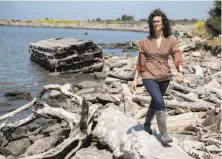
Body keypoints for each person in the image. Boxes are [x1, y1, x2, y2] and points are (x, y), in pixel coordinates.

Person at [131, 9, 184, 144]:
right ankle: (164, 135)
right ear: (151, 23)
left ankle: (147, 123)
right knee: (160, 102)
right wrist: (135, 79)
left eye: (158, 21)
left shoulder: (171, 40)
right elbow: (140, 62)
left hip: (165, 77)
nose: (156, 23)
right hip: (148, 75)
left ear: (163, 23)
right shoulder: (145, 41)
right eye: (153, 21)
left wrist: (180, 72)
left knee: (155, 102)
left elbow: (177, 56)